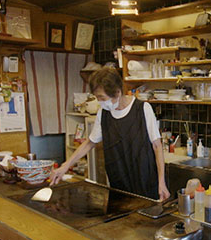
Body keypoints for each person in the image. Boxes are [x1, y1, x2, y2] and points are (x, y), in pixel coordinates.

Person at [49, 67, 170, 200]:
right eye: (97, 98)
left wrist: (161, 182)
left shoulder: (142, 109)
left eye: (102, 97)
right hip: (118, 181)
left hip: (145, 180)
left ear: (117, 92)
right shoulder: (103, 113)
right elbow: (89, 143)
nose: (100, 102)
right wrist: (65, 166)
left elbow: (157, 146)